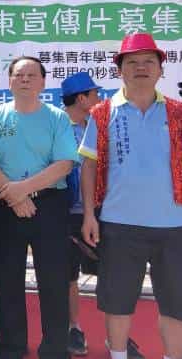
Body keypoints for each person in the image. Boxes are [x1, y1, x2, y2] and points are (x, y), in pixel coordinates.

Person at [80, 33, 182, 359]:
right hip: (119, 225)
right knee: (118, 303)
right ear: (120, 70)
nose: (141, 67)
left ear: (160, 70)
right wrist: (89, 215)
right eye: (132, 62)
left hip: (174, 226)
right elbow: (89, 166)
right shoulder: (102, 113)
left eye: (149, 61)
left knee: (176, 305)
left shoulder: (178, 113)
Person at [0, 56, 78, 359]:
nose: (25, 79)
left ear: (43, 82)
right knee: (7, 280)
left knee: (54, 280)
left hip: (50, 205)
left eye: (32, 75)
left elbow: (64, 163)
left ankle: (55, 350)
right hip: (5, 205)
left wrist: (23, 190)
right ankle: (10, 348)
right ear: (9, 81)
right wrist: (16, 196)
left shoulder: (57, 117)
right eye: (19, 74)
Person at [59, 72, 101, 356]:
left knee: (108, 270)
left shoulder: (96, 125)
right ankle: (73, 327)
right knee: (68, 275)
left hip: (96, 211)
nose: (99, 98)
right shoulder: (56, 126)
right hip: (64, 212)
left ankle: (118, 332)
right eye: (95, 94)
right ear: (82, 98)